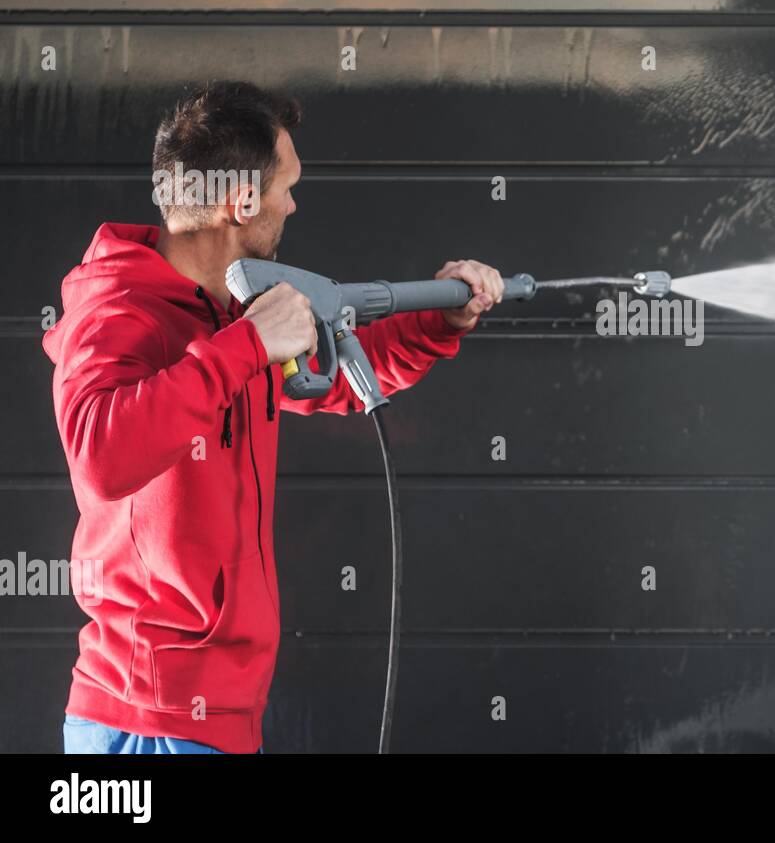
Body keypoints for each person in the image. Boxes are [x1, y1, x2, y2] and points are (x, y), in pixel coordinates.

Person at [42, 81, 504, 753]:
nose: (293, 202)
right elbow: (100, 457)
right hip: (147, 719)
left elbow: (338, 377)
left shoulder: (234, 310)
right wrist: (248, 345)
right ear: (241, 201)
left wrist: (441, 320)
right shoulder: (120, 309)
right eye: (287, 185)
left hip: (221, 719)